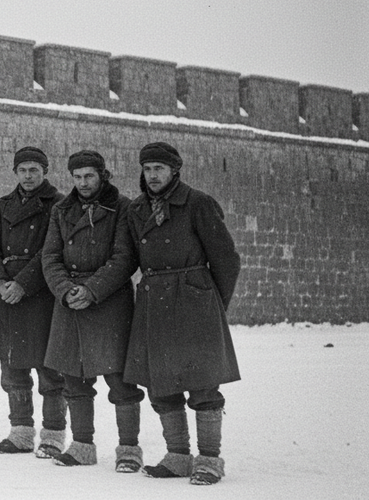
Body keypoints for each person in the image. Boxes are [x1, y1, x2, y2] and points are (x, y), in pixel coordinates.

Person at [124, 142, 241, 486]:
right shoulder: (136, 209)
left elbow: (227, 260)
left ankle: (209, 460)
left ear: (175, 170)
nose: (153, 175)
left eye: (159, 169)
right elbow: (129, 257)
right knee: (161, 383)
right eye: (147, 169)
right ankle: (177, 456)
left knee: (202, 384)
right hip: (154, 303)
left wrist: (210, 303)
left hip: (194, 303)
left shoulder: (198, 203)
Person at [41, 150, 144, 471]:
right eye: (77, 177)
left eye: (89, 176)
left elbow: (124, 257)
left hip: (108, 302)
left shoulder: (122, 207)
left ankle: (129, 449)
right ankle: (83, 445)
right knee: (74, 378)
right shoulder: (61, 210)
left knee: (120, 380)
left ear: (102, 175)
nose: (83, 183)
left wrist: (92, 290)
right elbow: (50, 257)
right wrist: (65, 290)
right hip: (69, 302)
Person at [0, 146, 68, 457]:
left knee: (49, 370)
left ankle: (53, 435)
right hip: (6, 294)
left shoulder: (58, 204)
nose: (28, 176)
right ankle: (20, 433)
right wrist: (0, 281)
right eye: (23, 170)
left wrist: (23, 284)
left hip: (39, 294)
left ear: (45, 171)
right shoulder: (4, 204)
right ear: (15, 172)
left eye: (34, 170)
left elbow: (51, 250)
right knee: (12, 367)